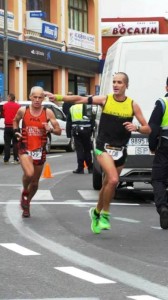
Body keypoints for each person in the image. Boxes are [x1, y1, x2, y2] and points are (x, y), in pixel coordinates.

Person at [45, 72, 151, 234]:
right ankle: (105, 216)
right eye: (114, 82)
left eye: (120, 82)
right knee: (114, 180)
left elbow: (147, 128)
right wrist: (58, 97)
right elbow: (80, 99)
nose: (116, 85)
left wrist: (136, 127)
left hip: (120, 150)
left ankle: (95, 213)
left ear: (126, 86)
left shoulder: (132, 105)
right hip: (103, 147)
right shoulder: (105, 100)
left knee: (108, 184)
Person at [13, 86, 61, 218]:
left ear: (43, 99)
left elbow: (59, 131)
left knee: (34, 182)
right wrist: (16, 132)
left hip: (40, 150)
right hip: (24, 147)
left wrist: (50, 128)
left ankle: (27, 203)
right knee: (29, 173)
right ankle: (24, 191)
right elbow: (15, 121)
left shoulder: (48, 113)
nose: (37, 100)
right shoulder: (23, 110)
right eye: (35, 97)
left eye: (40, 97)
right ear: (30, 97)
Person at [148, 79, 168, 229]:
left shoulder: (162, 103)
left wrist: (152, 146)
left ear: (166, 87)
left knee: (158, 179)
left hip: (165, 147)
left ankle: (162, 207)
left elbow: (153, 127)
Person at [66, 102, 93, 174]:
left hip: (77, 131)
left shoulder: (72, 108)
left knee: (79, 150)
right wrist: (92, 130)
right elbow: (92, 119)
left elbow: (68, 121)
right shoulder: (88, 106)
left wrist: (68, 134)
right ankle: (90, 168)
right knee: (87, 149)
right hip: (87, 130)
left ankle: (80, 168)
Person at [3, 93, 20, 164]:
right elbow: (19, 115)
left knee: (7, 143)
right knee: (15, 143)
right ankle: (16, 159)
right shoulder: (18, 106)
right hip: (15, 127)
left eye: (8, 97)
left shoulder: (5, 105)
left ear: (10, 97)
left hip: (7, 126)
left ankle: (6, 159)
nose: (7, 98)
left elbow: (4, 114)